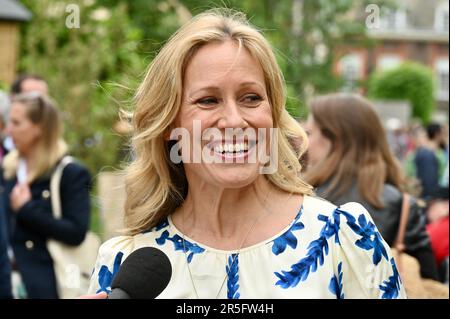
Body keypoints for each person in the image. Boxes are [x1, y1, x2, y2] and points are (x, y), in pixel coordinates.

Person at [87, 9, 406, 299]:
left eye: (251, 98)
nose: (234, 120)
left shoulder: (343, 240)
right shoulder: (124, 264)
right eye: (208, 100)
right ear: (170, 124)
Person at [303, 93, 439, 281]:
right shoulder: (402, 205)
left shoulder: (300, 199)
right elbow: (430, 282)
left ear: (332, 138)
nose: (305, 143)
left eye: (309, 133)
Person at [0, 92, 92, 298]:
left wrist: (26, 209)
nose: (8, 129)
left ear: (39, 128)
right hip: (7, 282)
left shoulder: (70, 173)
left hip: (47, 285)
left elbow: (76, 232)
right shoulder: (8, 171)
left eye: (16, 123)